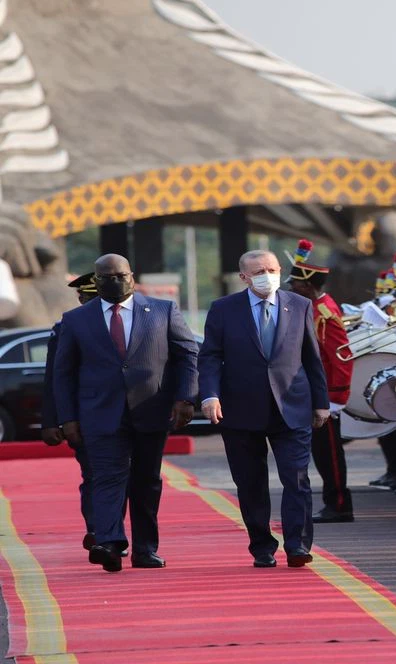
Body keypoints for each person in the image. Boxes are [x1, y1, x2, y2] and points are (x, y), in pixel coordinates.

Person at [51, 254, 198, 572]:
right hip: (100, 413)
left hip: (151, 409)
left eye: (121, 276)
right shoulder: (76, 320)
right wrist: (68, 418)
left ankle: (145, 549)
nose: (115, 282)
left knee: (146, 481)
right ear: (97, 280)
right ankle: (110, 543)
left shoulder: (162, 310)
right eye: (107, 277)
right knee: (106, 477)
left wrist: (185, 398)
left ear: (132, 276)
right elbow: (63, 374)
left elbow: (187, 353)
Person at [198, 250, 329, 568]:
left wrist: (321, 402)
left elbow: (312, 357)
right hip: (241, 409)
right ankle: (262, 545)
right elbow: (211, 356)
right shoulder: (223, 309)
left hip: (292, 406)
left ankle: (297, 545)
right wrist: (209, 395)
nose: (266, 275)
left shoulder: (299, 305)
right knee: (251, 482)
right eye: (258, 271)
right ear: (243, 277)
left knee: (297, 478)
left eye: (272, 269)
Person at [284, 239, 356, 524]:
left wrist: (336, 397)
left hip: (326, 395)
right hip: (315, 393)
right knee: (321, 454)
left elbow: (340, 355)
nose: (291, 288)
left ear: (306, 285)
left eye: (295, 284)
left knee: (330, 455)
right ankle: (333, 502)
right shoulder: (311, 307)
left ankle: (339, 504)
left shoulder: (324, 311)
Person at [41, 272, 105, 552]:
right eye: (88, 298)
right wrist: (52, 419)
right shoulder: (67, 326)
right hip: (84, 416)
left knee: (127, 476)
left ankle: (112, 529)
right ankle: (98, 530)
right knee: (93, 475)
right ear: (81, 299)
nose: (91, 303)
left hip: (125, 414)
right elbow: (55, 376)